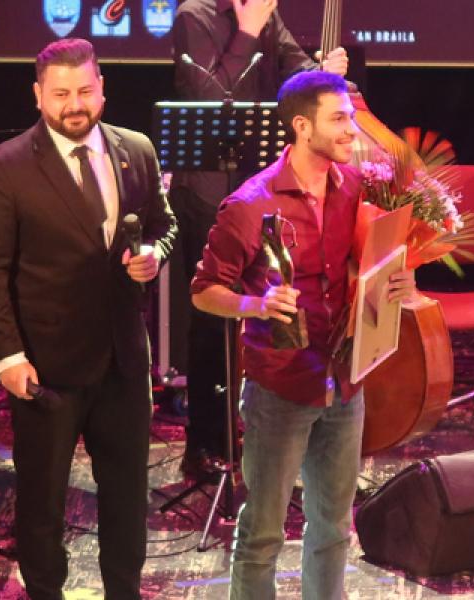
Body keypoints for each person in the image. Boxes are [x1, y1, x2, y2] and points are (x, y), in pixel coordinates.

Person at [0, 38, 177, 600]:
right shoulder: (3, 166)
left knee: (126, 498)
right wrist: (7, 357)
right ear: (38, 95)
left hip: (124, 363)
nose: (74, 105)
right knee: (42, 506)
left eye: (84, 91)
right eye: (60, 94)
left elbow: (164, 223)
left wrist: (154, 253)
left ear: (102, 88)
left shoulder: (136, 149)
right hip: (46, 370)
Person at [192, 70, 416, 599]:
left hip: (343, 380)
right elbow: (204, 291)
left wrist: (395, 280)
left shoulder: (354, 187)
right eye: (339, 119)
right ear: (301, 126)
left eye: (350, 118)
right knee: (262, 534)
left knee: (334, 529)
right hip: (280, 388)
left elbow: (362, 264)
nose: (351, 130)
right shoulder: (250, 203)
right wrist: (255, 304)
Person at [171, 0, 349, 478]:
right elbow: (210, 96)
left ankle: (259, 432)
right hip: (208, 192)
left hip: (259, 187)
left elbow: (297, 74)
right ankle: (205, 443)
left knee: (268, 309)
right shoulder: (194, 15)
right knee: (213, 322)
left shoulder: (267, 12)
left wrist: (322, 74)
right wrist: (247, 33)